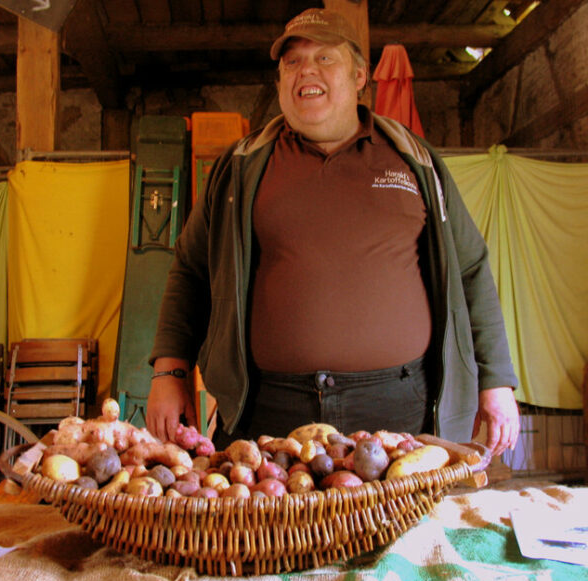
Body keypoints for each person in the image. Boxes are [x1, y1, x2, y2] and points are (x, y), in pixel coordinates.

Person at [146, 8, 520, 456]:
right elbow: (189, 271)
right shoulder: (240, 168)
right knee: (267, 528)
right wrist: (170, 374)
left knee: (406, 528)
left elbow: (471, 268)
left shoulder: (414, 159)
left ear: (360, 74)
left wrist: (496, 382)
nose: (306, 69)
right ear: (280, 81)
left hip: (401, 407)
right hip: (268, 409)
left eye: (325, 58)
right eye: (292, 62)